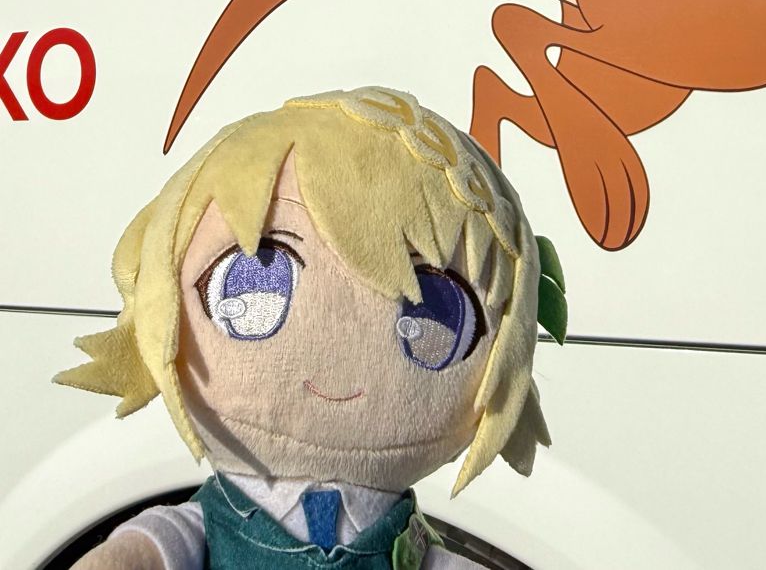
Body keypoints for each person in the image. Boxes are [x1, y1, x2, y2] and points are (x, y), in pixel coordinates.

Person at [55, 87, 563, 569]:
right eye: (258, 282)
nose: (340, 356)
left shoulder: (405, 544)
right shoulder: (211, 525)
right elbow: (158, 545)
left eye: (437, 311)